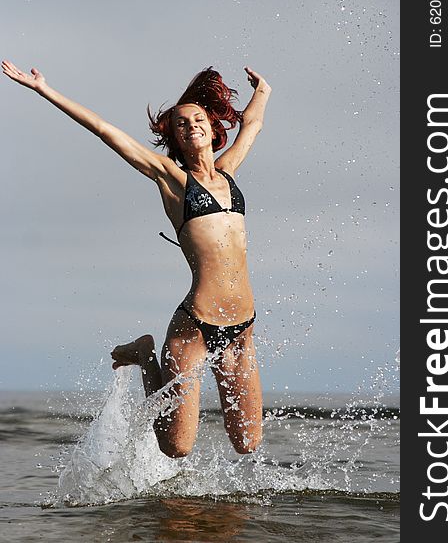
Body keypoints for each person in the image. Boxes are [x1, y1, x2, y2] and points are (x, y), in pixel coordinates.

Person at [2, 59, 271, 458]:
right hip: (194, 326)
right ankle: (146, 355)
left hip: (241, 328)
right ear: (174, 139)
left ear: (213, 129)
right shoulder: (171, 179)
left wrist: (263, 90)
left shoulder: (229, 172)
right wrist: (45, 90)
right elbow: (105, 131)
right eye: (180, 123)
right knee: (176, 448)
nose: (190, 125)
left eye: (197, 118)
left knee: (249, 444)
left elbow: (253, 126)